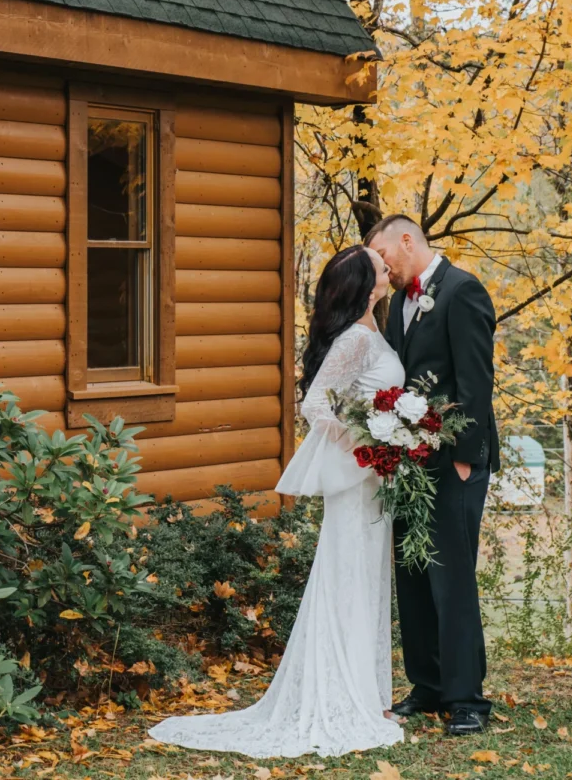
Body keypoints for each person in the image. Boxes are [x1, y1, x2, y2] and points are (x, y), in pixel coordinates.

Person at [148, 244, 404, 757]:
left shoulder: (375, 328)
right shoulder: (355, 337)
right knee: (349, 574)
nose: (388, 267)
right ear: (365, 282)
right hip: (359, 481)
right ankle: (343, 696)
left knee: (369, 577)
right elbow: (315, 402)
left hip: (377, 481)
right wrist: (365, 441)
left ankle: (369, 692)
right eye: (380, 266)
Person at [366, 214, 498, 737]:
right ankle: (427, 684)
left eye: (384, 255)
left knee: (452, 581)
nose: (383, 266)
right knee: (414, 574)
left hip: (455, 464)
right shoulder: (399, 301)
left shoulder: (463, 291)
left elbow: (475, 377)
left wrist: (464, 457)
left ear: (406, 240)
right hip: (408, 462)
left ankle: (466, 699)